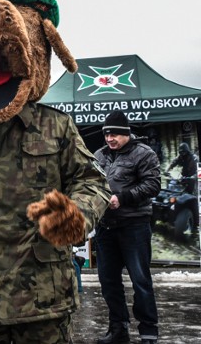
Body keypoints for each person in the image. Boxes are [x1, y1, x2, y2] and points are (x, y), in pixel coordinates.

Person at [94, 110, 161, 344]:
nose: (110, 138)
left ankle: (148, 332)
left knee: (140, 280)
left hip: (134, 226)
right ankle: (118, 329)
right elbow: (90, 182)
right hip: (106, 227)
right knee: (108, 281)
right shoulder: (99, 155)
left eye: (114, 134)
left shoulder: (144, 153)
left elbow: (152, 185)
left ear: (126, 133)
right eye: (106, 134)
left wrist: (123, 197)